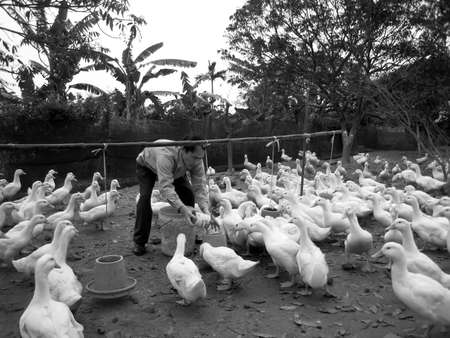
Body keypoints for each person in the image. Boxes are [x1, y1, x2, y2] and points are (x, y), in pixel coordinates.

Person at [133, 136, 210, 256]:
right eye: (195, 157)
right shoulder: (165, 154)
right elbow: (166, 187)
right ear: (184, 150)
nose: (197, 161)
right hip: (147, 166)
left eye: (200, 158)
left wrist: (205, 209)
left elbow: (199, 186)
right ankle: (140, 242)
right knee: (145, 198)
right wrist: (182, 208)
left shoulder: (197, 159)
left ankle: (187, 234)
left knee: (188, 194)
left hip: (176, 171)